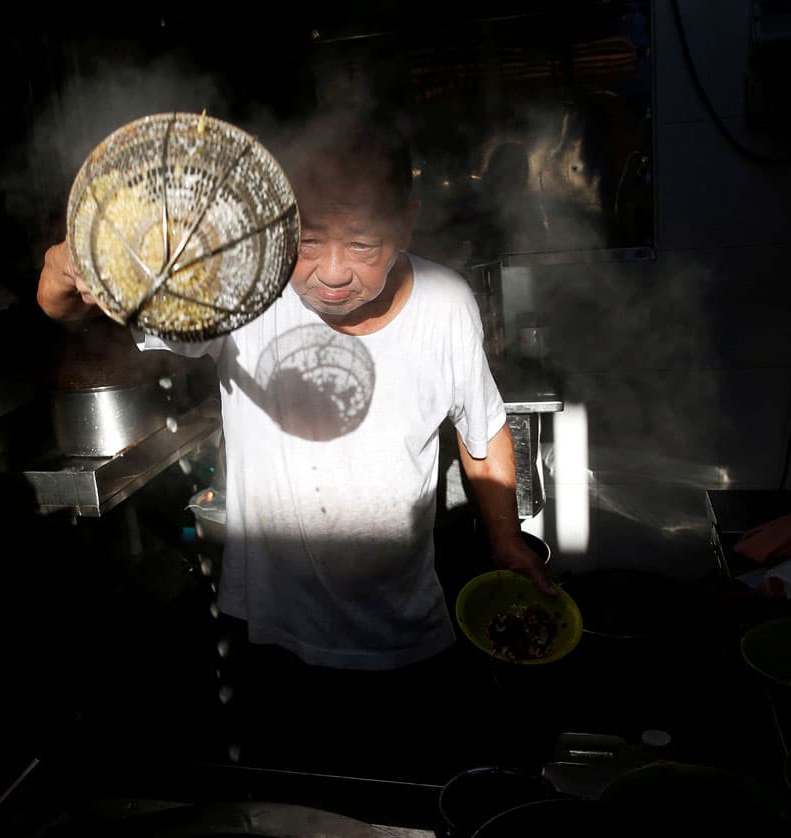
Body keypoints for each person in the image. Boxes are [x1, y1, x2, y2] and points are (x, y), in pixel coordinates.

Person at [37, 105, 554, 774]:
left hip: (407, 633)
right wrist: (60, 271)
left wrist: (507, 543)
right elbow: (77, 317)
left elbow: (482, 431)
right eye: (308, 242)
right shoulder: (241, 293)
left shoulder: (444, 301)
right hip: (274, 634)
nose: (332, 273)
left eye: (363, 245)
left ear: (408, 222)